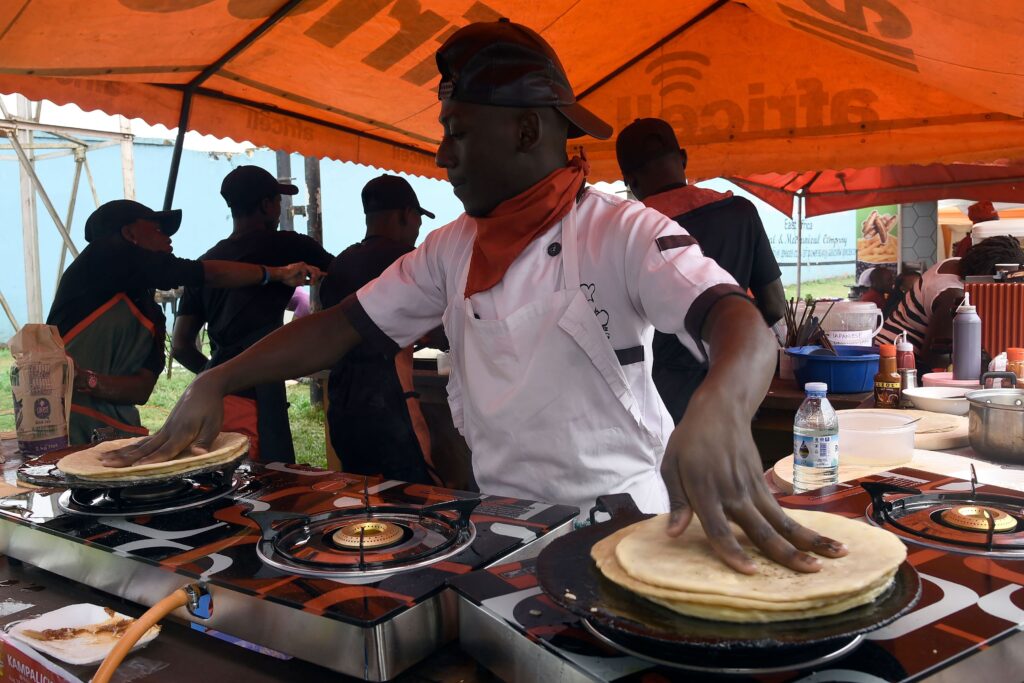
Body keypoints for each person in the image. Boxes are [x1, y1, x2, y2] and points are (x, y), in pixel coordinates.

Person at [110, 19, 847, 576]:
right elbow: (341, 326)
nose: (442, 155)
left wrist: (721, 402)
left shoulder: (619, 231)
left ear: (528, 129)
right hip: (503, 530)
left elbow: (736, 319)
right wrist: (219, 376)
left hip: (621, 529)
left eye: (457, 133)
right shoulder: (451, 248)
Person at [47, 199, 321, 445]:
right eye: (157, 229)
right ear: (128, 234)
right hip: (60, 428)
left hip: (114, 435)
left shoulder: (151, 316)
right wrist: (276, 273)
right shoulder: (102, 258)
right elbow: (203, 274)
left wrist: (90, 381)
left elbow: (141, 389)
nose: (168, 240)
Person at [615, 117, 787, 423]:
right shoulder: (741, 212)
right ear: (682, 158)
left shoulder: (628, 232)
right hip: (734, 386)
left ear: (630, 181)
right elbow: (774, 306)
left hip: (657, 400)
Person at [171, 166, 334, 463]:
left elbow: (181, 345)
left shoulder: (207, 262)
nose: (280, 207)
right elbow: (342, 278)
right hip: (260, 393)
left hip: (216, 398)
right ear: (266, 205)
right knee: (268, 483)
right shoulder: (288, 246)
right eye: (278, 200)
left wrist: (219, 377)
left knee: (225, 484)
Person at [319, 175, 438, 484]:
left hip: (343, 406)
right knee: (411, 505)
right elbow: (442, 331)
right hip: (390, 408)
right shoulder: (407, 263)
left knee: (365, 501)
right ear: (405, 214)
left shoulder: (340, 264)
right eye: (417, 219)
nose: (417, 229)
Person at [877, 236, 1024, 369]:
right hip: (897, 362)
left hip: (890, 353)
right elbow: (936, 359)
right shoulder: (952, 296)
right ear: (991, 276)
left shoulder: (953, 263)